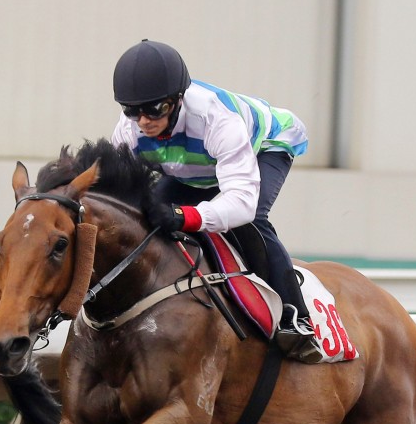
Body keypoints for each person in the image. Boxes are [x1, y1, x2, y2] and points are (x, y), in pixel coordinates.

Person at [110, 39, 324, 364]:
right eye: (132, 110)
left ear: (178, 99)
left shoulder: (215, 118)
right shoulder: (128, 131)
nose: (143, 121)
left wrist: (186, 217)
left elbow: (241, 203)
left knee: (251, 222)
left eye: (154, 109)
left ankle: (296, 317)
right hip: (194, 166)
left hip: (265, 144)